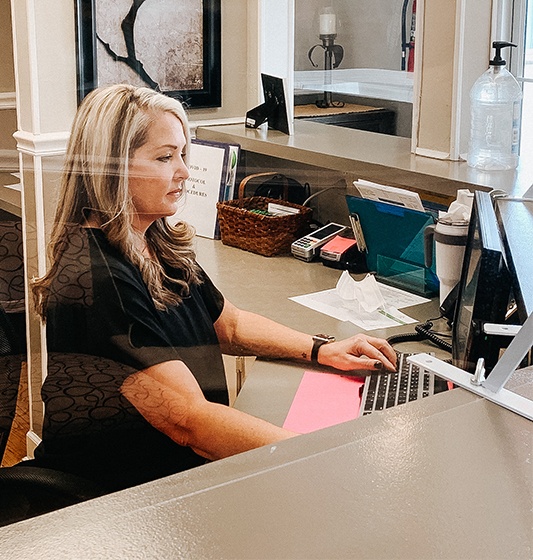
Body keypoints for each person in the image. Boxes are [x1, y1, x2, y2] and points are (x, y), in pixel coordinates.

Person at [29, 84, 397, 493]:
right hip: (122, 500)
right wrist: (323, 456)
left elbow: (230, 325)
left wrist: (320, 349)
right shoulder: (98, 279)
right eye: (165, 157)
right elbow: (191, 422)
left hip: (180, 472)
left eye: (183, 154)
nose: (184, 171)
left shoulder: (151, 238)